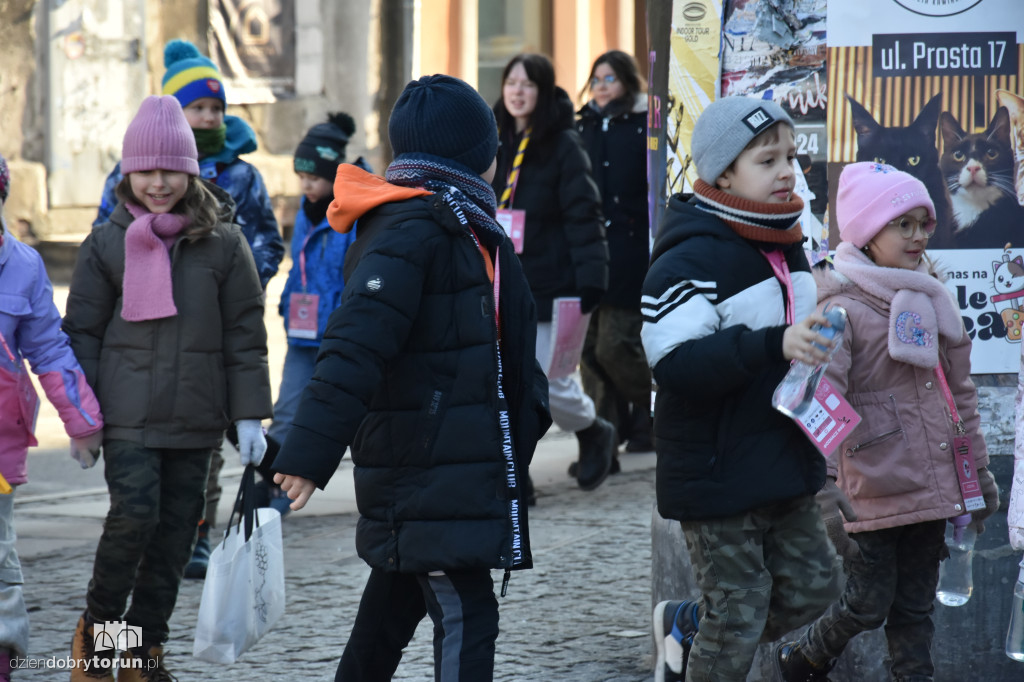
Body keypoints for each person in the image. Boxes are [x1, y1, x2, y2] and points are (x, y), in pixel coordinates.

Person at [272, 74, 551, 682]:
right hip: (424, 464)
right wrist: (309, 451)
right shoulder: (414, 227)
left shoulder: (464, 221)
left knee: (389, 613)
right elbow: (354, 346)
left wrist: (530, 416)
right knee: (467, 612)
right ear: (473, 155)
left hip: (450, 462)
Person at [63, 95, 272, 681]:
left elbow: (244, 333)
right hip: (126, 417)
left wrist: (251, 417)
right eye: (146, 170)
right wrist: (82, 419)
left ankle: (143, 651)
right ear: (129, 172)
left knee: (176, 536)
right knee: (135, 518)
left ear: (191, 170)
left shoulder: (225, 244)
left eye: (169, 170)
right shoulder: (106, 243)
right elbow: (79, 333)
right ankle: (98, 634)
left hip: (196, 418)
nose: (158, 183)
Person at [773, 162, 1000, 681]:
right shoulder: (838, 307)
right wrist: (822, 486)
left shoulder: (934, 299)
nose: (919, 236)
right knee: (866, 604)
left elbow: (959, 395)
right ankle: (803, 658)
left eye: (925, 223)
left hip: (932, 487)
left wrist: (979, 474)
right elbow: (815, 396)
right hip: (871, 491)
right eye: (904, 224)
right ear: (866, 233)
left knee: (916, 612)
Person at [642, 97, 841, 682]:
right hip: (716, 470)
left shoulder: (787, 241)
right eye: (767, 159)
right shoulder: (687, 258)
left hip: (781, 458)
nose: (786, 171)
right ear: (724, 172)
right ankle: (700, 636)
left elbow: (798, 342)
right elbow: (675, 366)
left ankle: (684, 626)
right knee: (738, 617)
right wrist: (771, 344)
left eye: (790, 156)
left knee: (817, 586)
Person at [91, 40, 283, 578]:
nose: (206, 116)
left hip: (204, 351)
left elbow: (263, 245)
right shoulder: (125, 183)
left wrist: (240, 282)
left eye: (215, 109)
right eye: (195, 107)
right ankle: (103, 638)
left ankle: (195, 542)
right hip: (135, 376)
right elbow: (99, 261)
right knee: (135, 512)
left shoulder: (238, 178)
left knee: (197, 476)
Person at [0, 154, 104, 682]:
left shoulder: (23, 265)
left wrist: (82, 421)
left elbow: (49, 349)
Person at [492, 52, 615, 494]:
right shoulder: (493, 141)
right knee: (502, 383)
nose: (517, 91)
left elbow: (584, 215)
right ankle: (515, 473)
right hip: (502, 283)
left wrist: (590, 280)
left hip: (552, 284)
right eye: (511, 82)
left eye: (527, 84)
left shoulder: (563, 144)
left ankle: (593, 429)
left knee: (551, 384)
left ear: (542, 92)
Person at [260, 113, 373, 514]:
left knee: (352, 419)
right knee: (288, 412)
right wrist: (287, 301)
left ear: (333, 172)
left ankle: (379, 487)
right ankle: (273, 489)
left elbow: (358, 270)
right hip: (302, 333)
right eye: (300, 175)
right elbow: (300, 265)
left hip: (338, 335)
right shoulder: (306, 211)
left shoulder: (355, 211)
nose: (305, 183)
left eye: (313, 176)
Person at [576, 49, 653, 457]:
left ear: (626, 80)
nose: (603, 87)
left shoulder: (643, 124)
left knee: (616, 345)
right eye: (597, 79)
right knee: (587, 353)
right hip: (586, 249)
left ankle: (658, 410)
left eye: (610, 78)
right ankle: (604, 438)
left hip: (629, 251)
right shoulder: (581, 126)